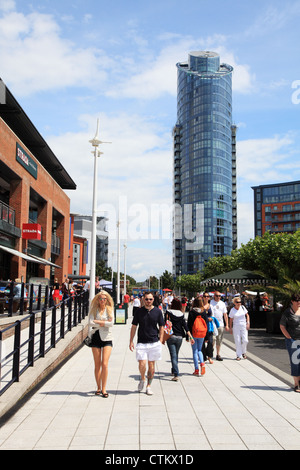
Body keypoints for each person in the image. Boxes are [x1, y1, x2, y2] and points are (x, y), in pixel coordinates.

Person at [129, 291, 164, 395]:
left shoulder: (158, 311)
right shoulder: (139, 312)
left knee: (151, 365)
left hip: (154, 342)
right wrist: (131, 340)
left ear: (153, 300)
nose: (148, 301)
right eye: (146, 299)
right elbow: (134, 326)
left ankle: (149, 385)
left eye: (150, 299)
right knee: (142, 364)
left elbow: (161, 326)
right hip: (142, 342)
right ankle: (142, 378)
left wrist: (161, 339)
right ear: (143, 299)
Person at [87, 290, 114, 397]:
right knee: (97, 364)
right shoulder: (94, 309)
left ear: (107, 299)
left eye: (104, 298)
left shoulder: (110, 309)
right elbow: (90, 322)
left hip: (107, 337)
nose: (102, 300)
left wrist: (98, 322)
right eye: (100, 298)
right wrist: (104, 323)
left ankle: (104, 388)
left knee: (105, 364)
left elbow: (111, 323)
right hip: (95, 337)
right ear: (98, 300)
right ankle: (98, 386)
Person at [165, 297, 194, 381]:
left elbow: (165, 324)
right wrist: (190, 337)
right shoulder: (181, 314)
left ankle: (176, 374)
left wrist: (162, 337)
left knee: (173, 355)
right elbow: (185, 327)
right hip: (180, 337)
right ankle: (173, 369)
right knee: (176, 354)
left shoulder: (168, 312)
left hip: (171, 336)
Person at [280, 293, 300, 392]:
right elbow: (282, 326)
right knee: (295, 362)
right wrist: (289, 337)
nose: (299, 302)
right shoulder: (288, 313)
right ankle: (297, 384)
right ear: (292, 301)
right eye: (297, 300)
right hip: (293, 340)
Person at [188, 297, 208, 376]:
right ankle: (202, 363)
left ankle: (196, 369)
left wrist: (188, 336)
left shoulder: (192, 312)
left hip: (193, 333)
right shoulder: (203, 312)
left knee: (194, 351)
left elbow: (189, 324)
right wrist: (206, 336)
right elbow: (205, 324)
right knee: (200, 350)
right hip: (202, 333)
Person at [229, 296, 250, 361]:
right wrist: (230, 327)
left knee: (245, 340)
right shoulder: (232, 310)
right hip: (236, 326)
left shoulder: (243, 308)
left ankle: (244, 352)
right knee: (237, 341)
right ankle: (239, 355)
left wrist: (248, 322)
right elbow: (231, 319)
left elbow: (247, 315)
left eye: (240, 302)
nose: (239, 303)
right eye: (237, 302)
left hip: (243, 325)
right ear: (234, 303)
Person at [210, 291, 229, 361]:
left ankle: (218, 354)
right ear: (214, 296)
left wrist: (227, 325)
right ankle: (210, 354)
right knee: (212, 339)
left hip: (220, 324)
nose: (218, 297)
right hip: (212, 324)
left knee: (219, 340)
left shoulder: (222, 304)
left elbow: (225, 315)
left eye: (219, 296)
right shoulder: (211, 303)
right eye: (217, 296)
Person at [202, 293, 218, 364]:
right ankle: (203, 357)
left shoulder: (211, 306)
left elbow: (213, 315)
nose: (206, 298)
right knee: (202, 342)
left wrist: (211, 318)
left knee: (210, 342)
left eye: (207, 296)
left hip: (209, 326)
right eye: (205, 296)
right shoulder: (200, 305)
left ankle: (209, 356)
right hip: (202, 325)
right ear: (202, 297)